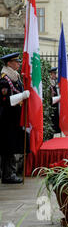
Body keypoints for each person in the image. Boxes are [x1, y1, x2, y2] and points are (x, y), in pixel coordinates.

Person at [0, 52, 30, 184]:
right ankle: (8, 175)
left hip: (15, 118)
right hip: (7, 119)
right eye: (16, 62)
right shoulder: (4, 80)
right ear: (9, 63)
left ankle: (11, 172)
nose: (18, 64)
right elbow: (5, 101)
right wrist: (22, 96)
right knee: (8, 147)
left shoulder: (15, 77)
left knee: (13, 146)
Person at [49, 67, 61, 136]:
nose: (55, 75)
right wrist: (58, 98)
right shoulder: (48, 83)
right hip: (51, 107)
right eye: (54, 74)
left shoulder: (53, 83)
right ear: (50, 74)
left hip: (54, 106)